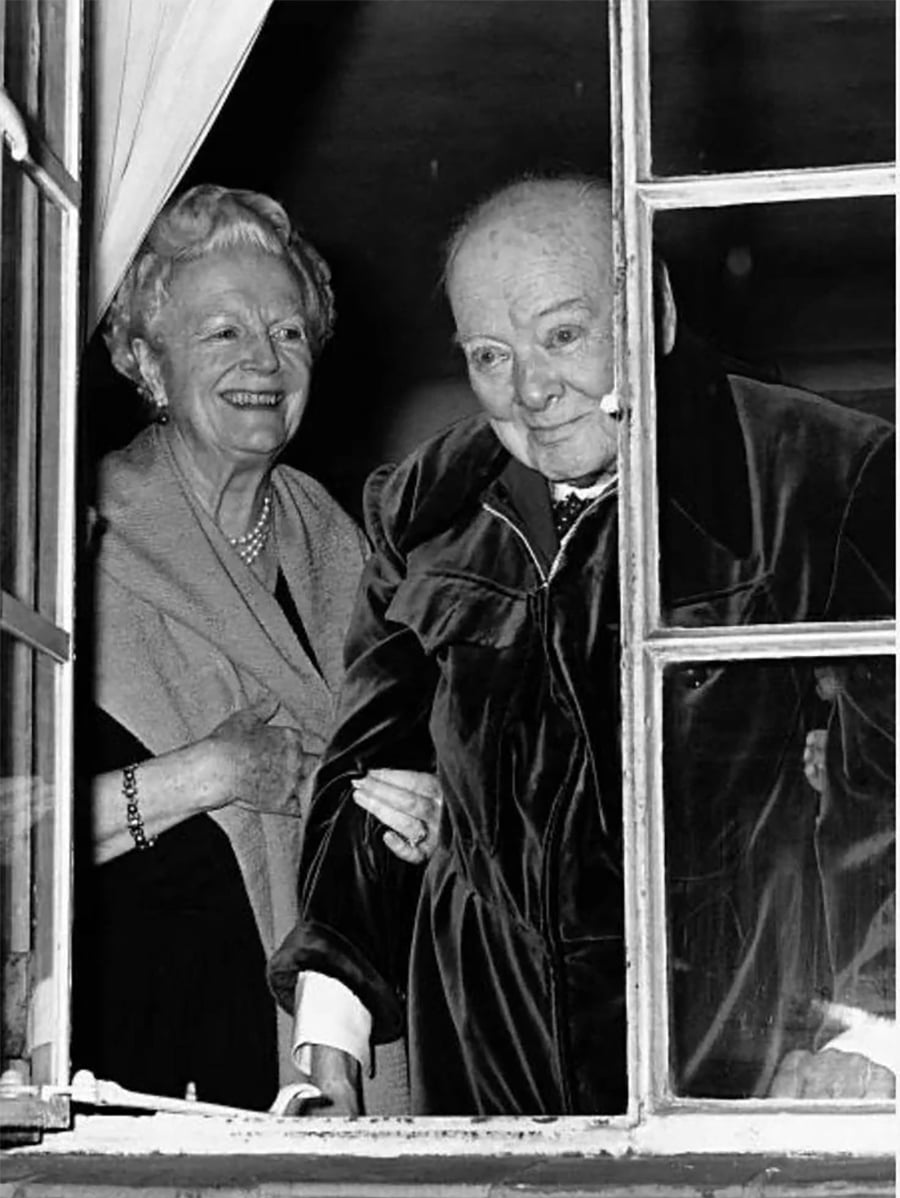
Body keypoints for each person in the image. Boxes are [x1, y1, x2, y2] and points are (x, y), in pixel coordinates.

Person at [268, 175, 895, 1114]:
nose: (528, 390)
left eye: (563, 335)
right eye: (489, 354)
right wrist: (331, 1039)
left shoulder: (823, 474)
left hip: (746, 1047)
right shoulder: (424, 506)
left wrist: (873, 1036)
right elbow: (371, 778)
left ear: (656, 311)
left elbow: (888, 784)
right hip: (490, 1059)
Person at [71, 184, 441, 1113]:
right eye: (223, 333)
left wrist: (430, 827)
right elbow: (14, 834)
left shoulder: (351, 555)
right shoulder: (67, 547)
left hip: (327, 1057)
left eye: (286, 333)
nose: (263, 361)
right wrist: (209, 773)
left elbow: (401, 788)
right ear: (148, 362)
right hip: (131, 1067)